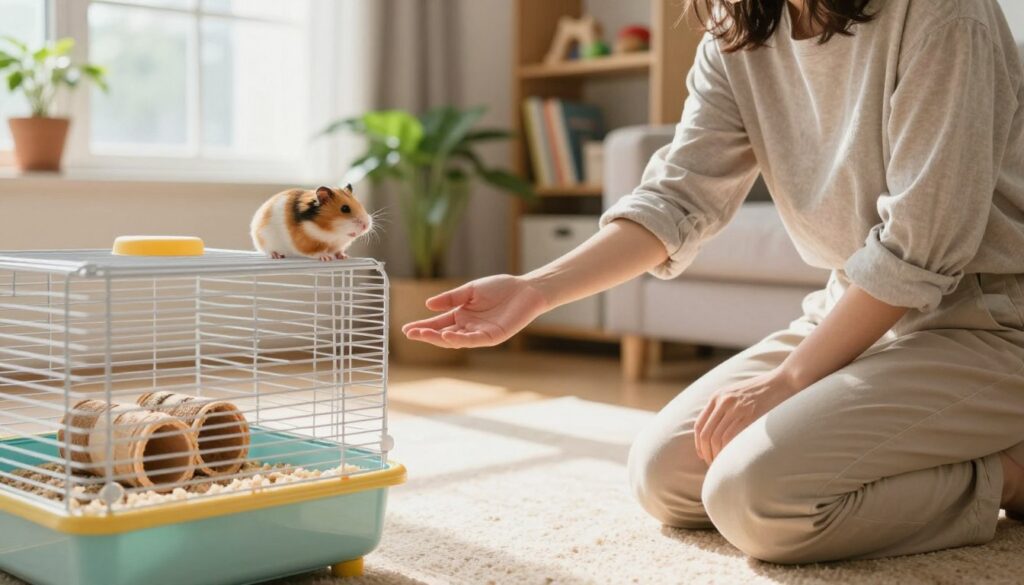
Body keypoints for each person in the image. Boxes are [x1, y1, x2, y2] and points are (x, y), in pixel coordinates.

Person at [402, 0, 1024, 564]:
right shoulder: (741, 30)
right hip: (853, 304)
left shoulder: (944, 12)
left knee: (759, 499)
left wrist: (787, 382)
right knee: (668, 477)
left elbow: (924, 240)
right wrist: (537, 289)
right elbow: (676, 198)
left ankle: (1012, 472)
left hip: (990, 317)